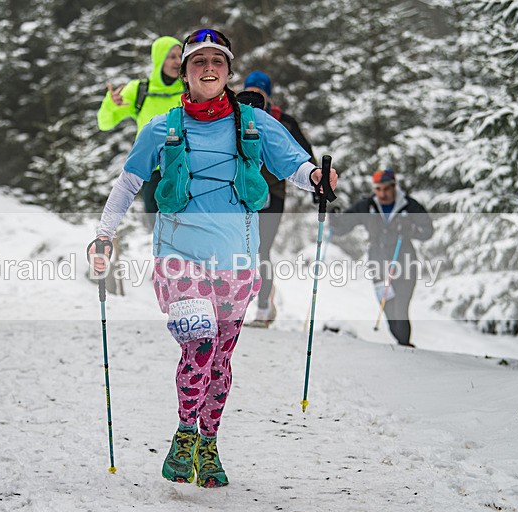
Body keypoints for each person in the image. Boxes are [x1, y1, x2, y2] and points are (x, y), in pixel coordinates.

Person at [88, 28, 337, 488]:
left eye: (217, 61)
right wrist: (104, 234)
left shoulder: (254, 124)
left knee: (219, 361)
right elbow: (127, 184)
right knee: (199, 342)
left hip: (238, 264)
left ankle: (209, 442)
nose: (208, 68)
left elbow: (295, 166)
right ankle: (185, 432)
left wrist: (317, 176)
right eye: (198, 60)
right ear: (184, 72)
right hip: (177, 258)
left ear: (228, 71)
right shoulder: (162, 127)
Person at [240, 71, 317, 328]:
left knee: (262, 250)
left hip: (273, 193)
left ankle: (263, 309)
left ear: (268, 95)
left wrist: (318, 185)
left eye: (260, 92)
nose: (255, 96)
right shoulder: (236, 116)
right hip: (241, 194)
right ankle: (236, 304)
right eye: (251, 90)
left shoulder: (283, 121)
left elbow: (303, 154)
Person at [331, 169, 433, 347]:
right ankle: (402, 343)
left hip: (405, 265)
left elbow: (428, 230)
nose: (382, 194)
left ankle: (405, 345)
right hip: (378, 267)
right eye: (378, 189)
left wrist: (411, 230)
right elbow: (341, 228)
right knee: (388, 309)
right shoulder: (368, 206)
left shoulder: (408, 205)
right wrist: (333, 217)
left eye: (386, 189)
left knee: (400, 308)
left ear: (394, 187)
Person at [97, 36, 184, 226]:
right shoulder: (139, 90)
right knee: (160, 232)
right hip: (153, 171)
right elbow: (104, 123)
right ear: (159, 59)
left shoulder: (191, 89)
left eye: (180, 56)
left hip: (186, 169)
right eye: (171, 57)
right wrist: (110, 104)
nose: (178, 61)